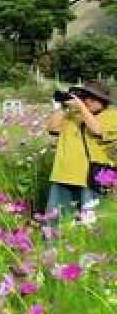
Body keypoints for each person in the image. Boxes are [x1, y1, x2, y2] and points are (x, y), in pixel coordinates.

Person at [45, 80, 116, 220]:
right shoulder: (73, 114)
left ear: (102, 101)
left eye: (91, 97)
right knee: (57, 221)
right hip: (63, 174)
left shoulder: (112, 115)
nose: (87, 101)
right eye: (85, 97)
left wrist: (81, 107)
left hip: (90, 177)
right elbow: (52, 128)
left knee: (90, 222)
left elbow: (97, 130)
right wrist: (62, 107)